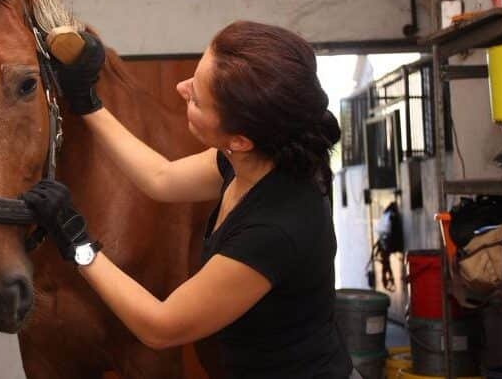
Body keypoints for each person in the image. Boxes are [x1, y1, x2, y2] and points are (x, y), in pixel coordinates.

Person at [21, 21, 353, 378]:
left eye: (196, 97)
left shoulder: (275, 228)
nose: (182, 88)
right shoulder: (255, 157)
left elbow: (161, 327)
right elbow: (161, 178)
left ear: (239, 139)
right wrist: (88, 104)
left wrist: (77, 242)